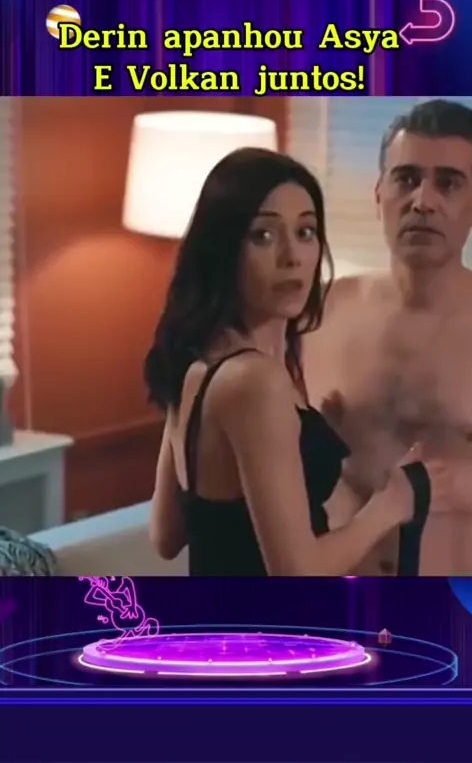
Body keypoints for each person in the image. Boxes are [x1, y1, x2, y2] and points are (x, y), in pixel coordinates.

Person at [145, 147, 441, 577]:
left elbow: (166, 534)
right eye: (263, 236)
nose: (292, 256)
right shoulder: (256, 383)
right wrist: (390, 505)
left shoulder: (198, 366)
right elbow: (296, 575)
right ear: (223, 248)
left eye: (306, 232)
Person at [303, 98, 472, 576]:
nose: (423, 201)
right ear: (379, 194)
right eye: (406, 178)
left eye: (448, 183)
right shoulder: (320, 311)